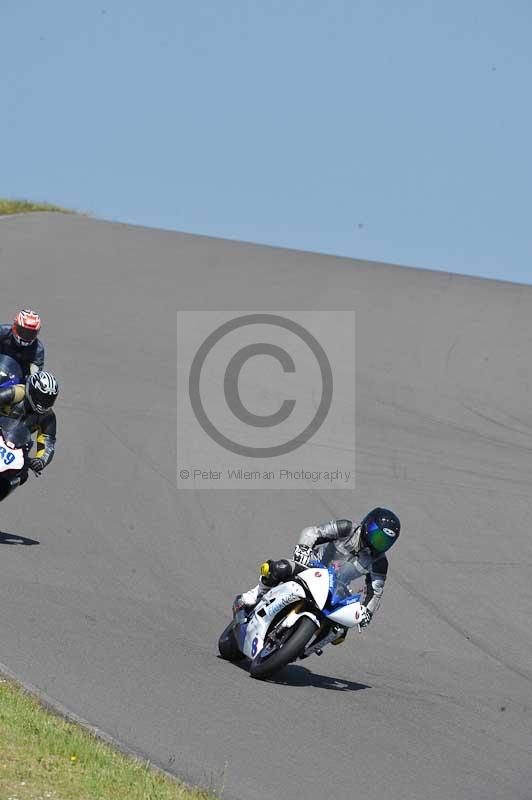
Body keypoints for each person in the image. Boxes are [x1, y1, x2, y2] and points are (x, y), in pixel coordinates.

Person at [237, 508, 401, 639]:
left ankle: (304, 646)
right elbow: (313, 532)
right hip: (311, 567)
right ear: (367, 525)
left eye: (384, 541)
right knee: (279, 568)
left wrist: (367, 612)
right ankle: (257, 593)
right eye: (377, 535)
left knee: (339, 632)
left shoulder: (379, 562)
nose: (378, 542)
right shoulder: (347, 528)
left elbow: (375, 592)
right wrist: (303, 548)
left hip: (337, 589)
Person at [0, 371, 59, 475]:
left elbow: (48, 444)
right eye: (42, 398)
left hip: (14, 448)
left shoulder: (48, 417)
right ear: (32, 391)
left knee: (22, 476)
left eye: (49, 399)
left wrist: (41, 461)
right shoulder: (17, 393)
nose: (45, 402)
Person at [0, 309, 45, 377]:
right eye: (23, 332)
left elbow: (35, 374)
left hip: (16, 383)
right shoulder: (2, 332)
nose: (26, 336)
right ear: (15, 326)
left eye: (30, 333)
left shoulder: (37, 350)